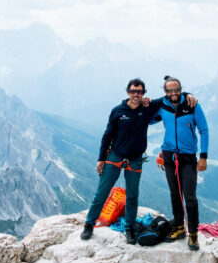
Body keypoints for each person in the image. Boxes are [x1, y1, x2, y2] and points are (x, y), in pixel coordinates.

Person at [81, 78, 196, 244]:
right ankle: (89, 225)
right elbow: (107, 135)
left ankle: (129, 227)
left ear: (143, 93)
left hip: (135, 159)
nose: (136, 95)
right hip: (115, 156)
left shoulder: (147, 108)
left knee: (133, 195)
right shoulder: (117, 111)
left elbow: (170, 96)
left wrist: (187, 94)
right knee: (102, 192)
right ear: (128, 92)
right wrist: (101, 159)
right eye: (133, 91)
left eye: (139, 92)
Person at [153, 75, 209, 251]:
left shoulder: (192, 105)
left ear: (181, 89)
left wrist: (204, 157)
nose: (173, 93)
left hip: (187, 157)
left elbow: (204, 130)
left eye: (177, 89)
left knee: (190, 196)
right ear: (165, 92)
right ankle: (178, 228)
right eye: (169, 90)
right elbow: (147, 118)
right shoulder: (162, 105)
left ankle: (193, 234)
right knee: (174, 194)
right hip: (169, 157)